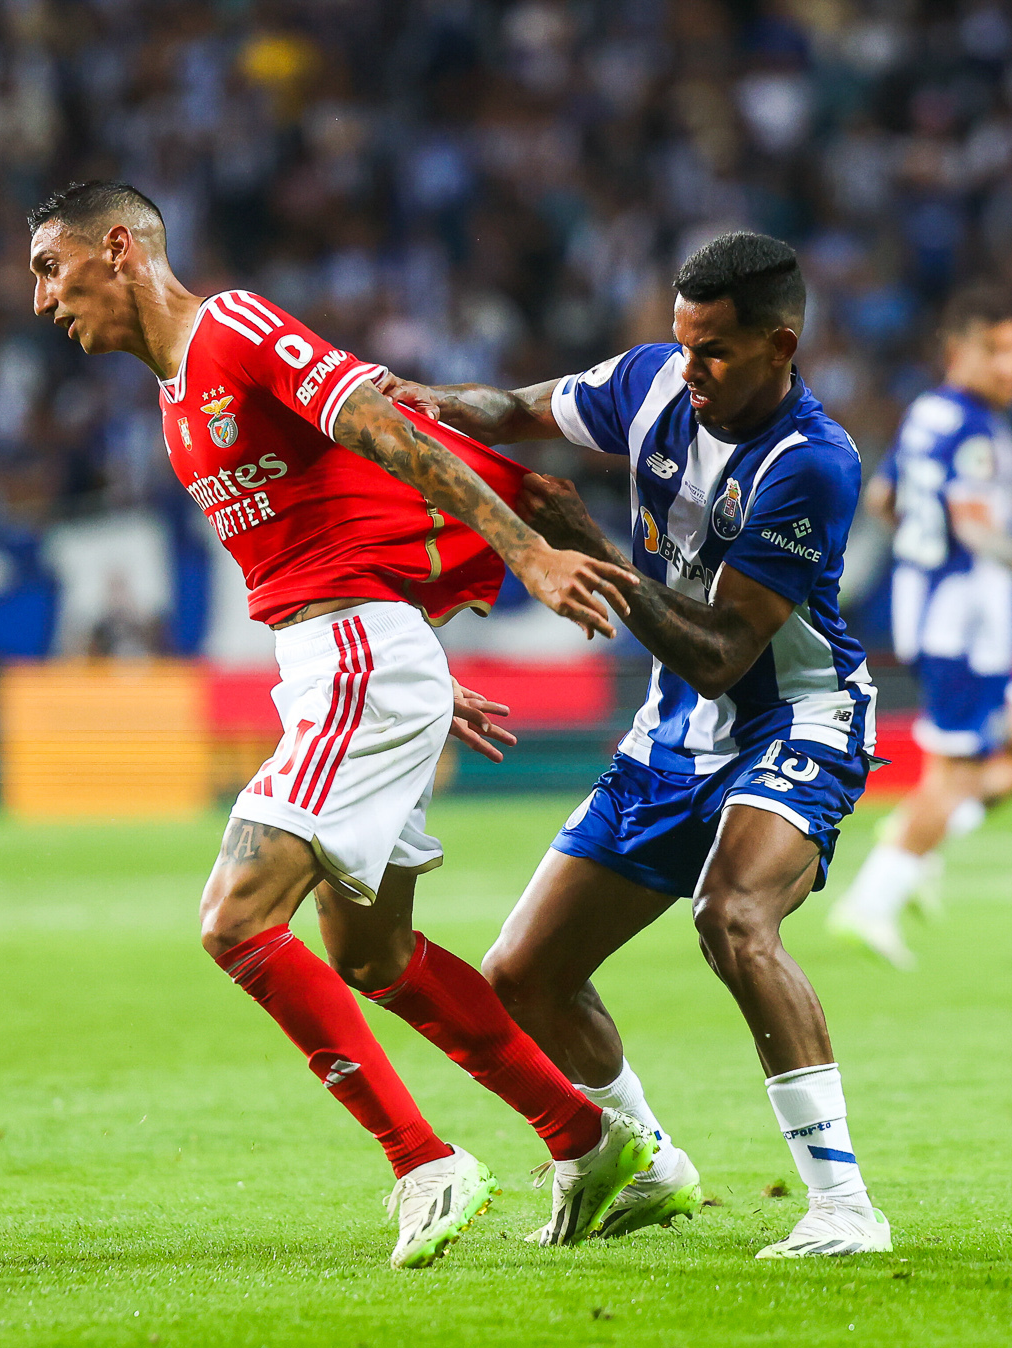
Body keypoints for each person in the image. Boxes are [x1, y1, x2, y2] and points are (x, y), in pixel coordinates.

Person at [26, 182, 656, 1269]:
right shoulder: (178, 402)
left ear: (118, 248)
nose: (40, 299)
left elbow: (377, 426)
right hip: (350, 662)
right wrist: (420, 681)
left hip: (355, 662)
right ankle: (589, 1137)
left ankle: (423, 1161)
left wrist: (519, 550)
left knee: (233, 920)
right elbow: (322, 537)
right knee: (372, 955)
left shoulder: (233, 327)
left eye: (49, 266)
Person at [380, 232, 893, 1258]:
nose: (688, 369)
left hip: (796, 720)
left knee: (731, 916)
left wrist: (591, 556)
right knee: (522, 973)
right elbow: (520, 407)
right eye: (680, 342)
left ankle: (842, 1206)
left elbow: (720, 650)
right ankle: (648, 1159)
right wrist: (429, 403)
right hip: (671, 736)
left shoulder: (810, 465)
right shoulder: (654, 381)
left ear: (778, 344)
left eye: (714, 352)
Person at [827, 286, 1012, 970]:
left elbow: (884, 499)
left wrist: (920, 558)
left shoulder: (927, 415)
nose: (1010, 366)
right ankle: (873, 899)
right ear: (956, 351)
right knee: (957, 773)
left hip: (945, 612)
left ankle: (917, 833)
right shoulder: (970, 426)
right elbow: (973, 523)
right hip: (966, 622)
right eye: (994, 350)